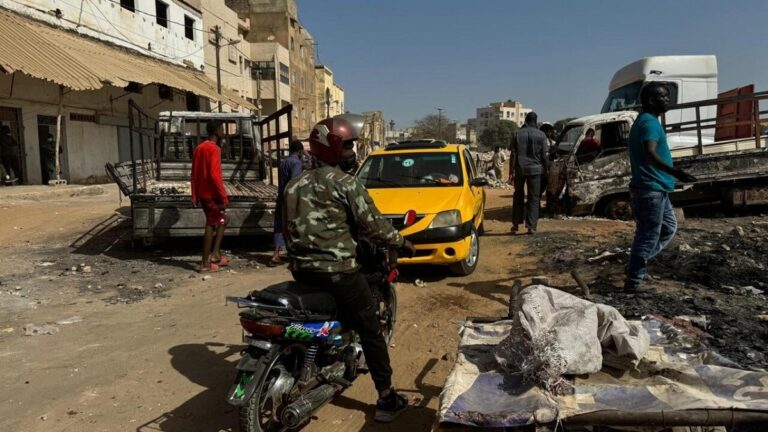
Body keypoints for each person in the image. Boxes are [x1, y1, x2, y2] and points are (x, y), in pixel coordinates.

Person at [283, 114, 416, 423]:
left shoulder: (293, 185)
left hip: (301, 270)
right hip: (339, 271)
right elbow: (374, 228)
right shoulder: (346, 184)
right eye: (347, 147)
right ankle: (386, 397)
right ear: (332, 149)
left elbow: (287, 227)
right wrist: (402, 243)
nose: (352, 153)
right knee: (370, 327)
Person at [625, 82, 696, 292]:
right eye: (662, 97)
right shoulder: (649, 124)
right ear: (649, 100)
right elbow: (650, 152)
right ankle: (633, 280)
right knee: (648, 235)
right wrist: (676, 172)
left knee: (668, 227)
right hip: (650, 190)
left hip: (657, 188)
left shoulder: (647, 121)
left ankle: (635, 265)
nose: (667, 100)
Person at [191, 120, 230, 273]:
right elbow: (214, 176)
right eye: (222, 129)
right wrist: (224, 197)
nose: (224, 132)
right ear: (216, 131)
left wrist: (194, 195)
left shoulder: (199, 148)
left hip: (203, 194)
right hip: (212, 195)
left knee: (222, 220)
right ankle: (205, 263)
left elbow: (193, 174)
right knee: (211, 225)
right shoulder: (214, 149)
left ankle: (215, 255)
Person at [510, 112, 549, 234]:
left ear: (525, 120)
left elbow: (513, 154)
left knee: (518, 196)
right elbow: (544, 155)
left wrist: (511, 172)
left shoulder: (516, 134)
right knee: (534, 198)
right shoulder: (542, 135)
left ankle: (516, 224)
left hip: (520, 169)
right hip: (536, 170)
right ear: (536, 121)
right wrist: (546, 170)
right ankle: (531, 227)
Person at [269, 140, 304, 267]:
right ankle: (295, 255)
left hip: (281, 197)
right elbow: (294, 183)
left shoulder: (283, 162)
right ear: (300, 151)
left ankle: (276, 254)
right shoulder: (297, 163)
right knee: (294, 226)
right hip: (290, 199)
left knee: (279, 225)